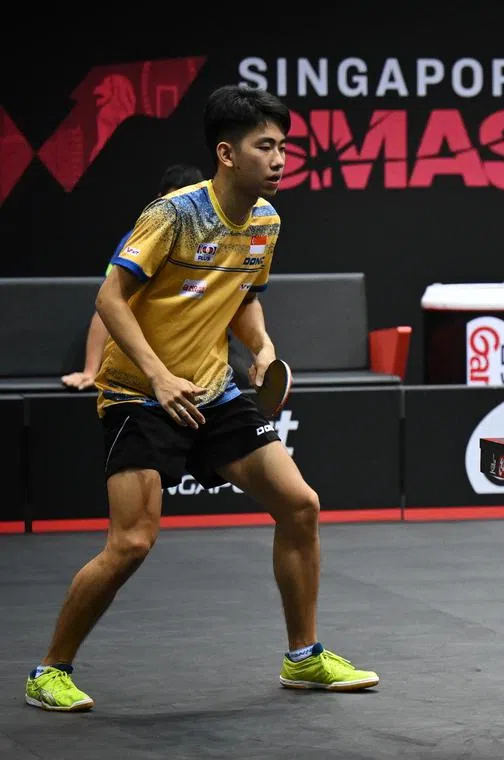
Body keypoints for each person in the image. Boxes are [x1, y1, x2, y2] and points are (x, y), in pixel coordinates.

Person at [25, 84, 379, 713]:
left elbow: (242, 296)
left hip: (213, 390)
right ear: (226, 152)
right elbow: (109, 298)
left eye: (283, 146)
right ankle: (49, 669)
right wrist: (158, 376)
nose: (279, 158)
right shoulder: (174, 214)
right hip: (138, 393)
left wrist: (264, 348)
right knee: (132, 542)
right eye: (264, 146)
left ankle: (303, 658)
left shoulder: (266, 221)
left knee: (300, 505)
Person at [61, 164, 205, 391]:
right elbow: (108, 304)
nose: (178, 211)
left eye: (187, 202)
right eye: (172, 201)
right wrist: (90, 371)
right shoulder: (138, 240)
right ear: (159, 202)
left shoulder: (217, 244)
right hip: (148, 351)